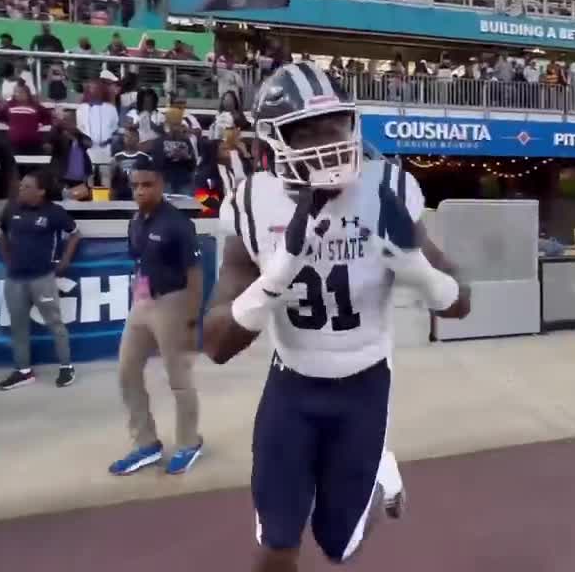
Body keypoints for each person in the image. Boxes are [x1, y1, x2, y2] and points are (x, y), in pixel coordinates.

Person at [201, 62, 471, 570]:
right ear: (272, 140)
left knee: (337, 545)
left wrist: (417, 268)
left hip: (365, 388)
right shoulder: (254, 203)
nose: (327, 140)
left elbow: (460, 304)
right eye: (306, 129)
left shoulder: (388, 188)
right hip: (292, 387)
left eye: (335, 124)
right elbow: (215, 344)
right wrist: (278, 274)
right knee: (278, 541)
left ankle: (376, 477)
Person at [108, 154, 206, 477]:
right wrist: (138, 294)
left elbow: (195, 274)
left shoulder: (178, 224)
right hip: (143, 303)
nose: (140, 191)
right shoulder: (135, 222)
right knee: (126, 371)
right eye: (135, 185)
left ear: (161, 185)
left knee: (178, 379)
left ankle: (189, 442)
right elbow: (138, 262)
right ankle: (146, 443)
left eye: (147, 185)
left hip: (174, 303)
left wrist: (191, 320)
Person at [0, 171, 81, 390]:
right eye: (21, 186)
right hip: (15, 279)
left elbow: (75, 234)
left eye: (26, 187)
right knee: (18, 326)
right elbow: (2, 235)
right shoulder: (11, 209)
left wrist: (65, 260)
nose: (21, 190)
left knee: (55, 323)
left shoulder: (54, 212)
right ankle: (23, 371)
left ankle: (66, 367)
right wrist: (8, 260)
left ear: (41, 191)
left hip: (42, 278)